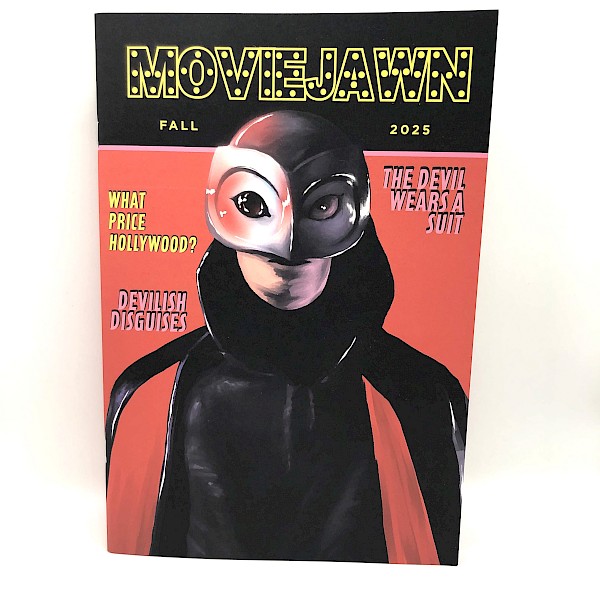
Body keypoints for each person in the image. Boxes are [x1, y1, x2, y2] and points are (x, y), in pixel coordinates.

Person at [106, 110, 467, 564]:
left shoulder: (424, 397)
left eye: (322, 205)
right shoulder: (150, 395)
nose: (289, 240)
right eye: (254, 205)